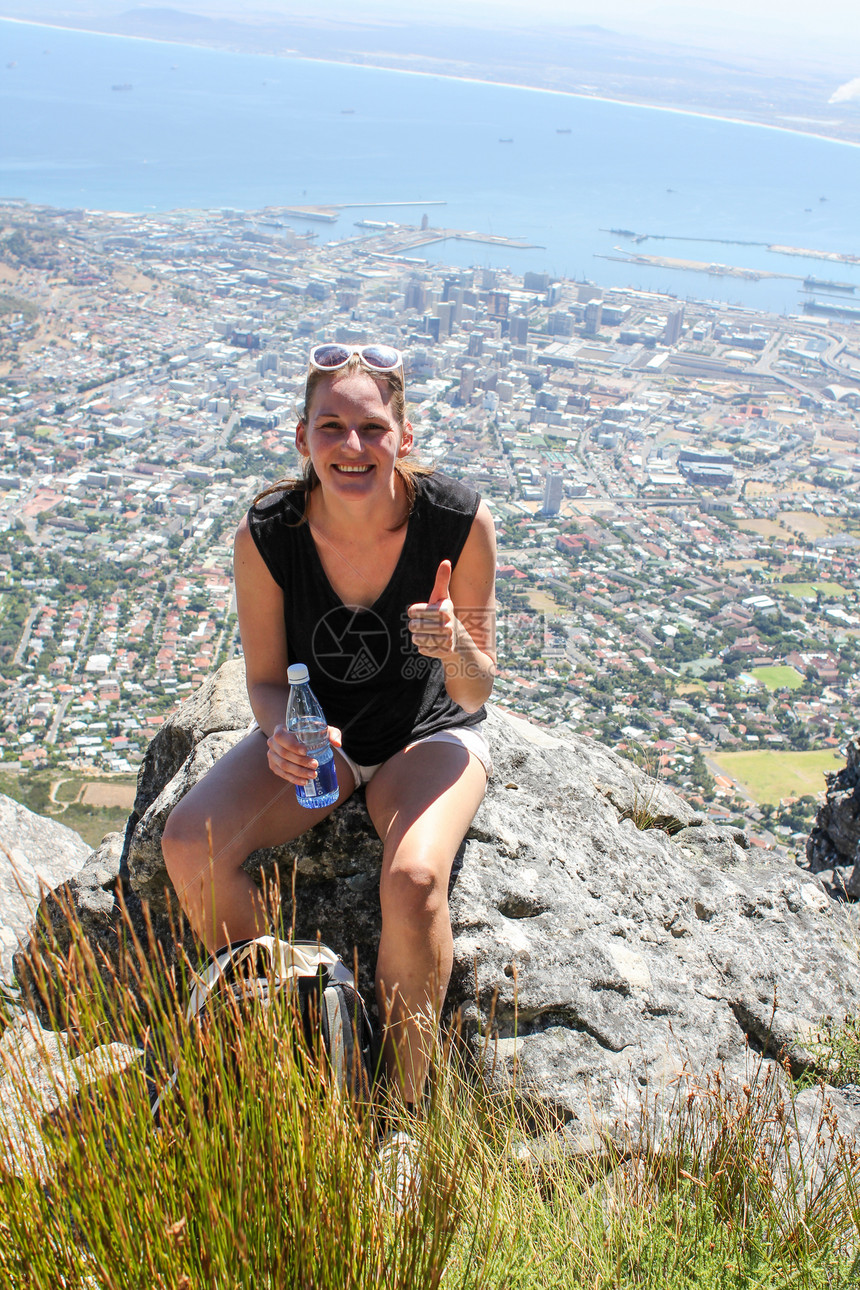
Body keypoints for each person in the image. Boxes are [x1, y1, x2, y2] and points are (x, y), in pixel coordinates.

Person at [161, 341, 497, 1113]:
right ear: (303, 437)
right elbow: (264, 678)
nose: (353, 446)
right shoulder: (268, 535)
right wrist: (282, 733)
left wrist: (455, 644)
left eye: (372, 428)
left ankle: (403, 1114)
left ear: (403, 438)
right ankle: (300, 1018)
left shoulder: (457, 521)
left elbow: (476, 691)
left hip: (429, 735)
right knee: (188, 846)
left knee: (413, 880)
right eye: (331, 426)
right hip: (324, 743)